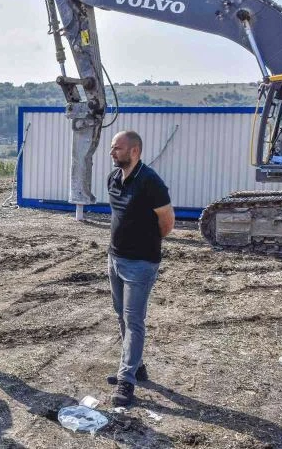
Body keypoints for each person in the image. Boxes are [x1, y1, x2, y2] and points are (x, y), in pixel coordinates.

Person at [106, 130, 174, 406]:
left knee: (134, 321)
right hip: (115, 258)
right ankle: (136, 366)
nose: (112, 153)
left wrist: (145, 244)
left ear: (134, 151)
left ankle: (126, 381)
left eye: (117, 148)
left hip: (141, 263)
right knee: (122, 316)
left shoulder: (150, 182)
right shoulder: (113, 178)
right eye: (112, 148)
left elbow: (167, 222)